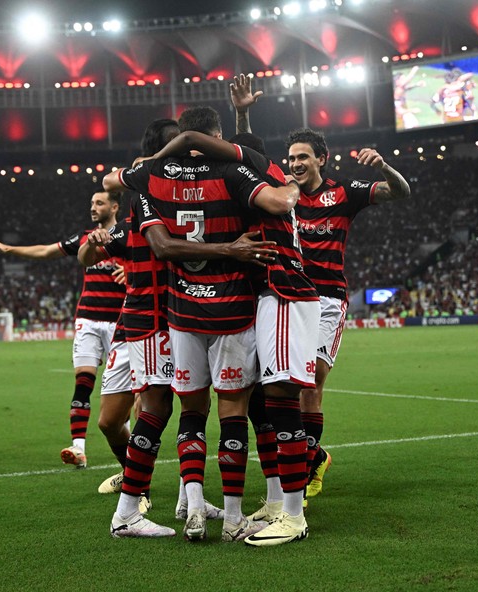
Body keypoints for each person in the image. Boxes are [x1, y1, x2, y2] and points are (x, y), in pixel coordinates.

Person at [106, 106, 300, 542]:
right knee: (182, 409)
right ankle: (143, 513)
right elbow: (161, 246)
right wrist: (235, 247)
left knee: (189, 410)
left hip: (177, 311)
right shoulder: (228, 177)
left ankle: (191, 504)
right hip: (184, 314)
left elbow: (111, 186)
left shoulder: (150, 182)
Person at [147, 125, 321, 546]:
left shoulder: (264, 184)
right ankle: (280, 505)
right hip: (270, 296)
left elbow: (276, 193)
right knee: (270, 400)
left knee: (281, 397)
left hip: (282, 293)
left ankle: (293, 516)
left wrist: (290, 188)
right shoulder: (261, 185)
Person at [285, 127, 411, 502]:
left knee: (313, 379)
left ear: (321, 159)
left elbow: (401, 192)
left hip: (327, 299)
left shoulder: (344, 192)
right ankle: (316, 455)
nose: (295, 164)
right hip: (290, 298)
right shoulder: (284, 195)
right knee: (286, 387)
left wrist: (384, 166)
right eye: (291, 158)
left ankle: (307, 469)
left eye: (303, 157)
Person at [0, 191, 130, 475]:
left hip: (121, 323)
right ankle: (79, 448)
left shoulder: (129, 237)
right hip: (87, 318)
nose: (93, 207)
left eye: (99, 203)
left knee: (122, 392)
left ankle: (129, 456)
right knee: (83, 382)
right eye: (90, 203)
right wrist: (9, 250)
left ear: (115, 206)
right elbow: (46, 250)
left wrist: (133, 272)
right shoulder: (85, 238)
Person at [393, 65, 426, 130]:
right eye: (402, 79)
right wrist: (414, 70)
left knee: (415, 124)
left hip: (403, 113)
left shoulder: (400, 90)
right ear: (397, 82)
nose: (405, 81)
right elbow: (399, 111)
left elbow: (406, 88)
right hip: (400, 117)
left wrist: (416, 85)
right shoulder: (397, 92)